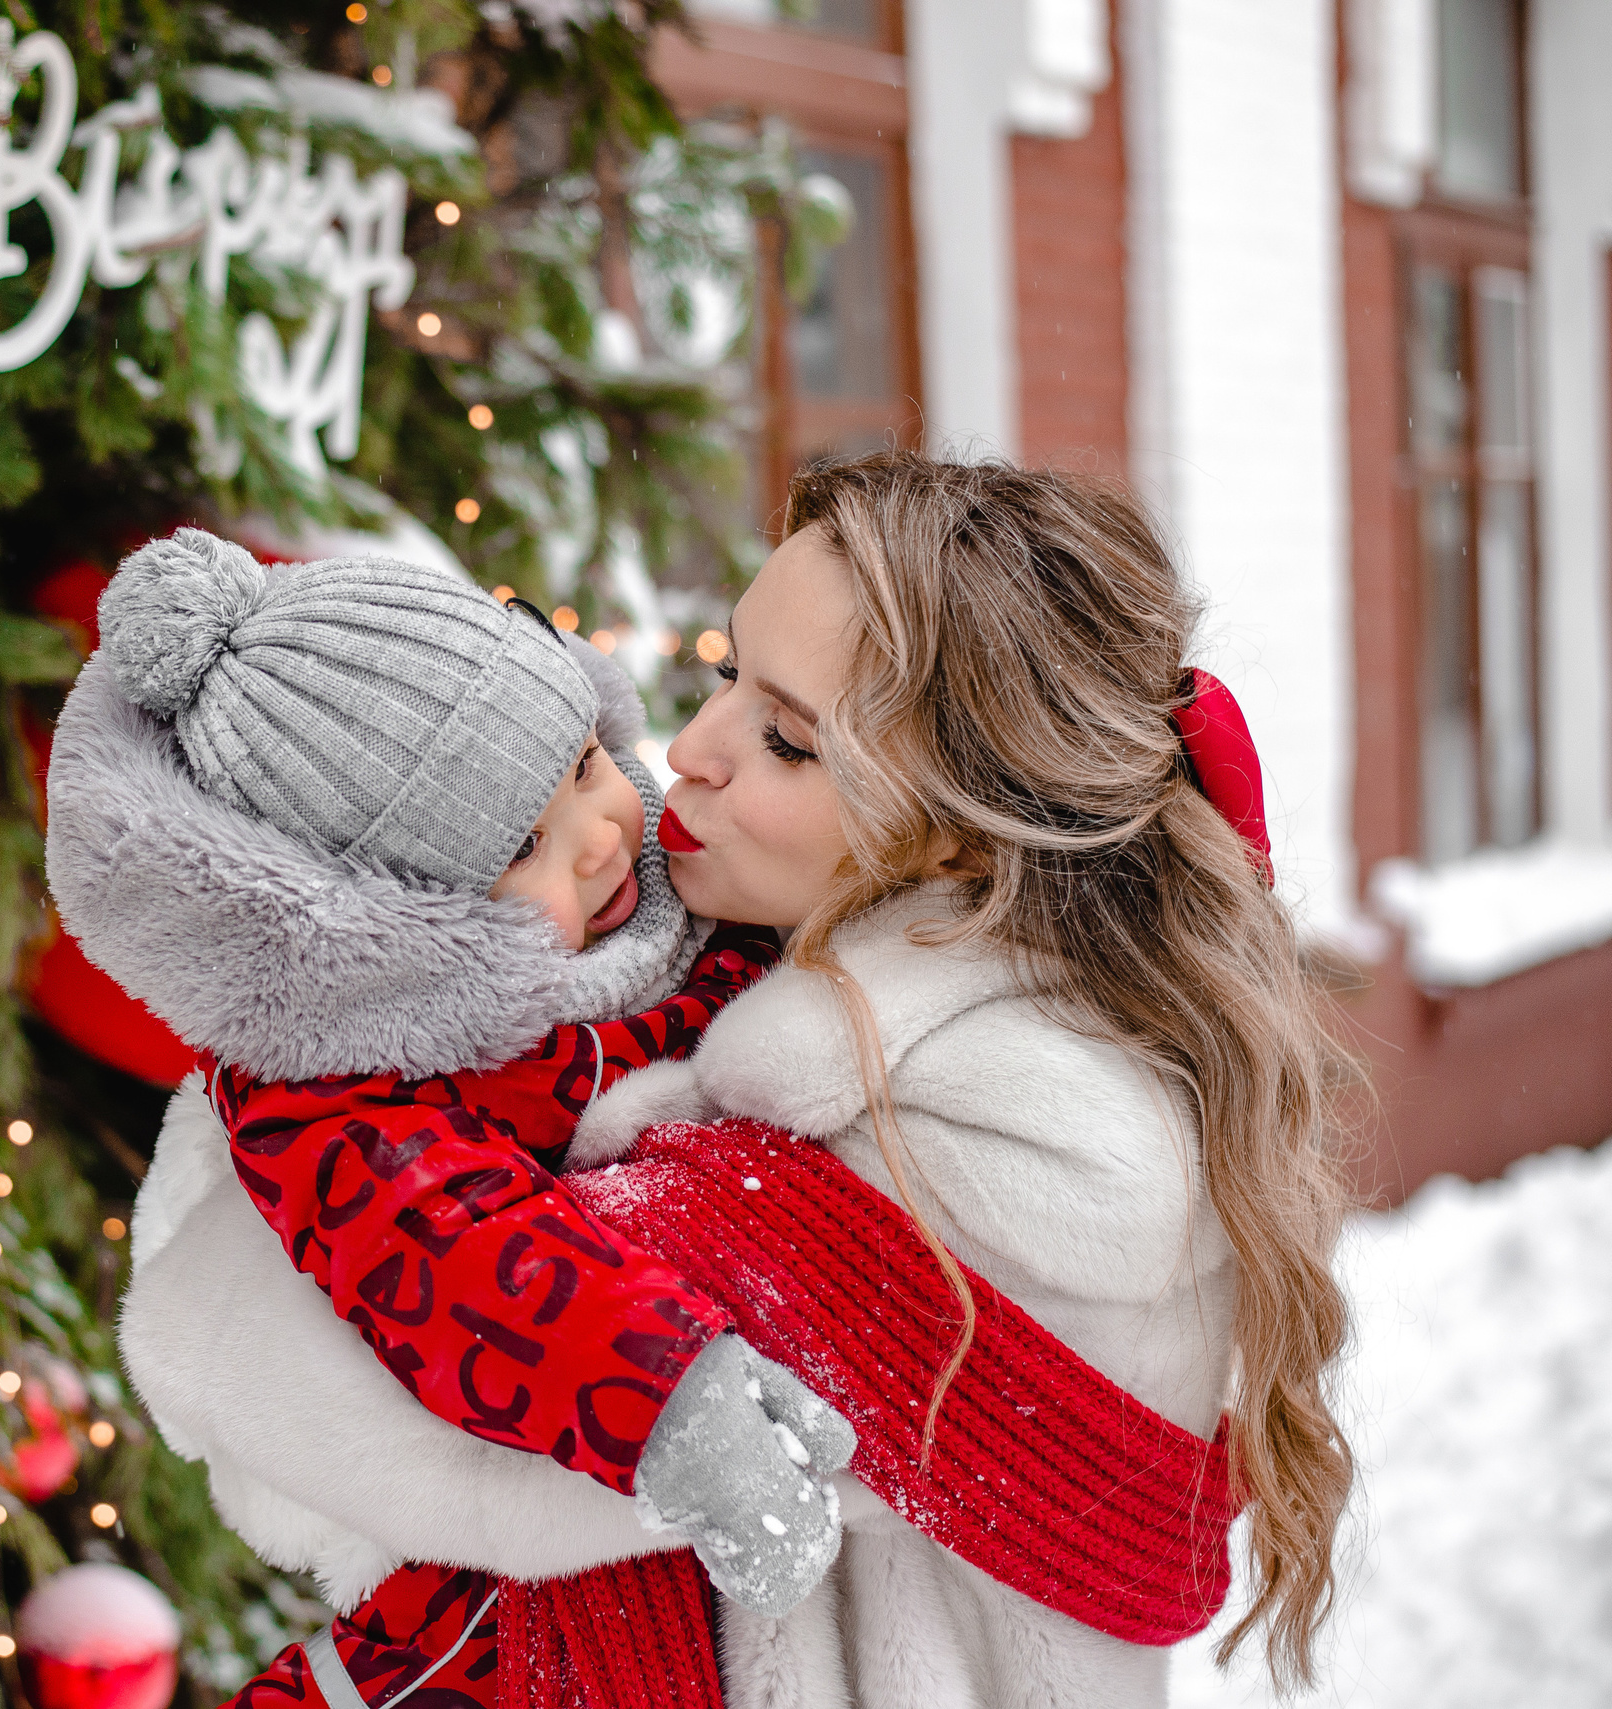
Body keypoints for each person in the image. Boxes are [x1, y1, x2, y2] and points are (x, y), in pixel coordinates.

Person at [125, 455, 1356, 1707]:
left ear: (955, 830)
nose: (688, 751)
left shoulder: (996, 1133)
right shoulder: (819, 1000)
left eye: (783, 738)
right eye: (724, 674)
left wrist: (285, 1113)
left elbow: (332, 1375)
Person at [47, 529, 853, 1700]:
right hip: (496, 1520)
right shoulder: (341, 1095)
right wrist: (670, 1397)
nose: (599, 835)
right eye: (520, 845)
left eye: (583, 762)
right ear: (387, 922)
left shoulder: (673, 895)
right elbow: (460, 1250)